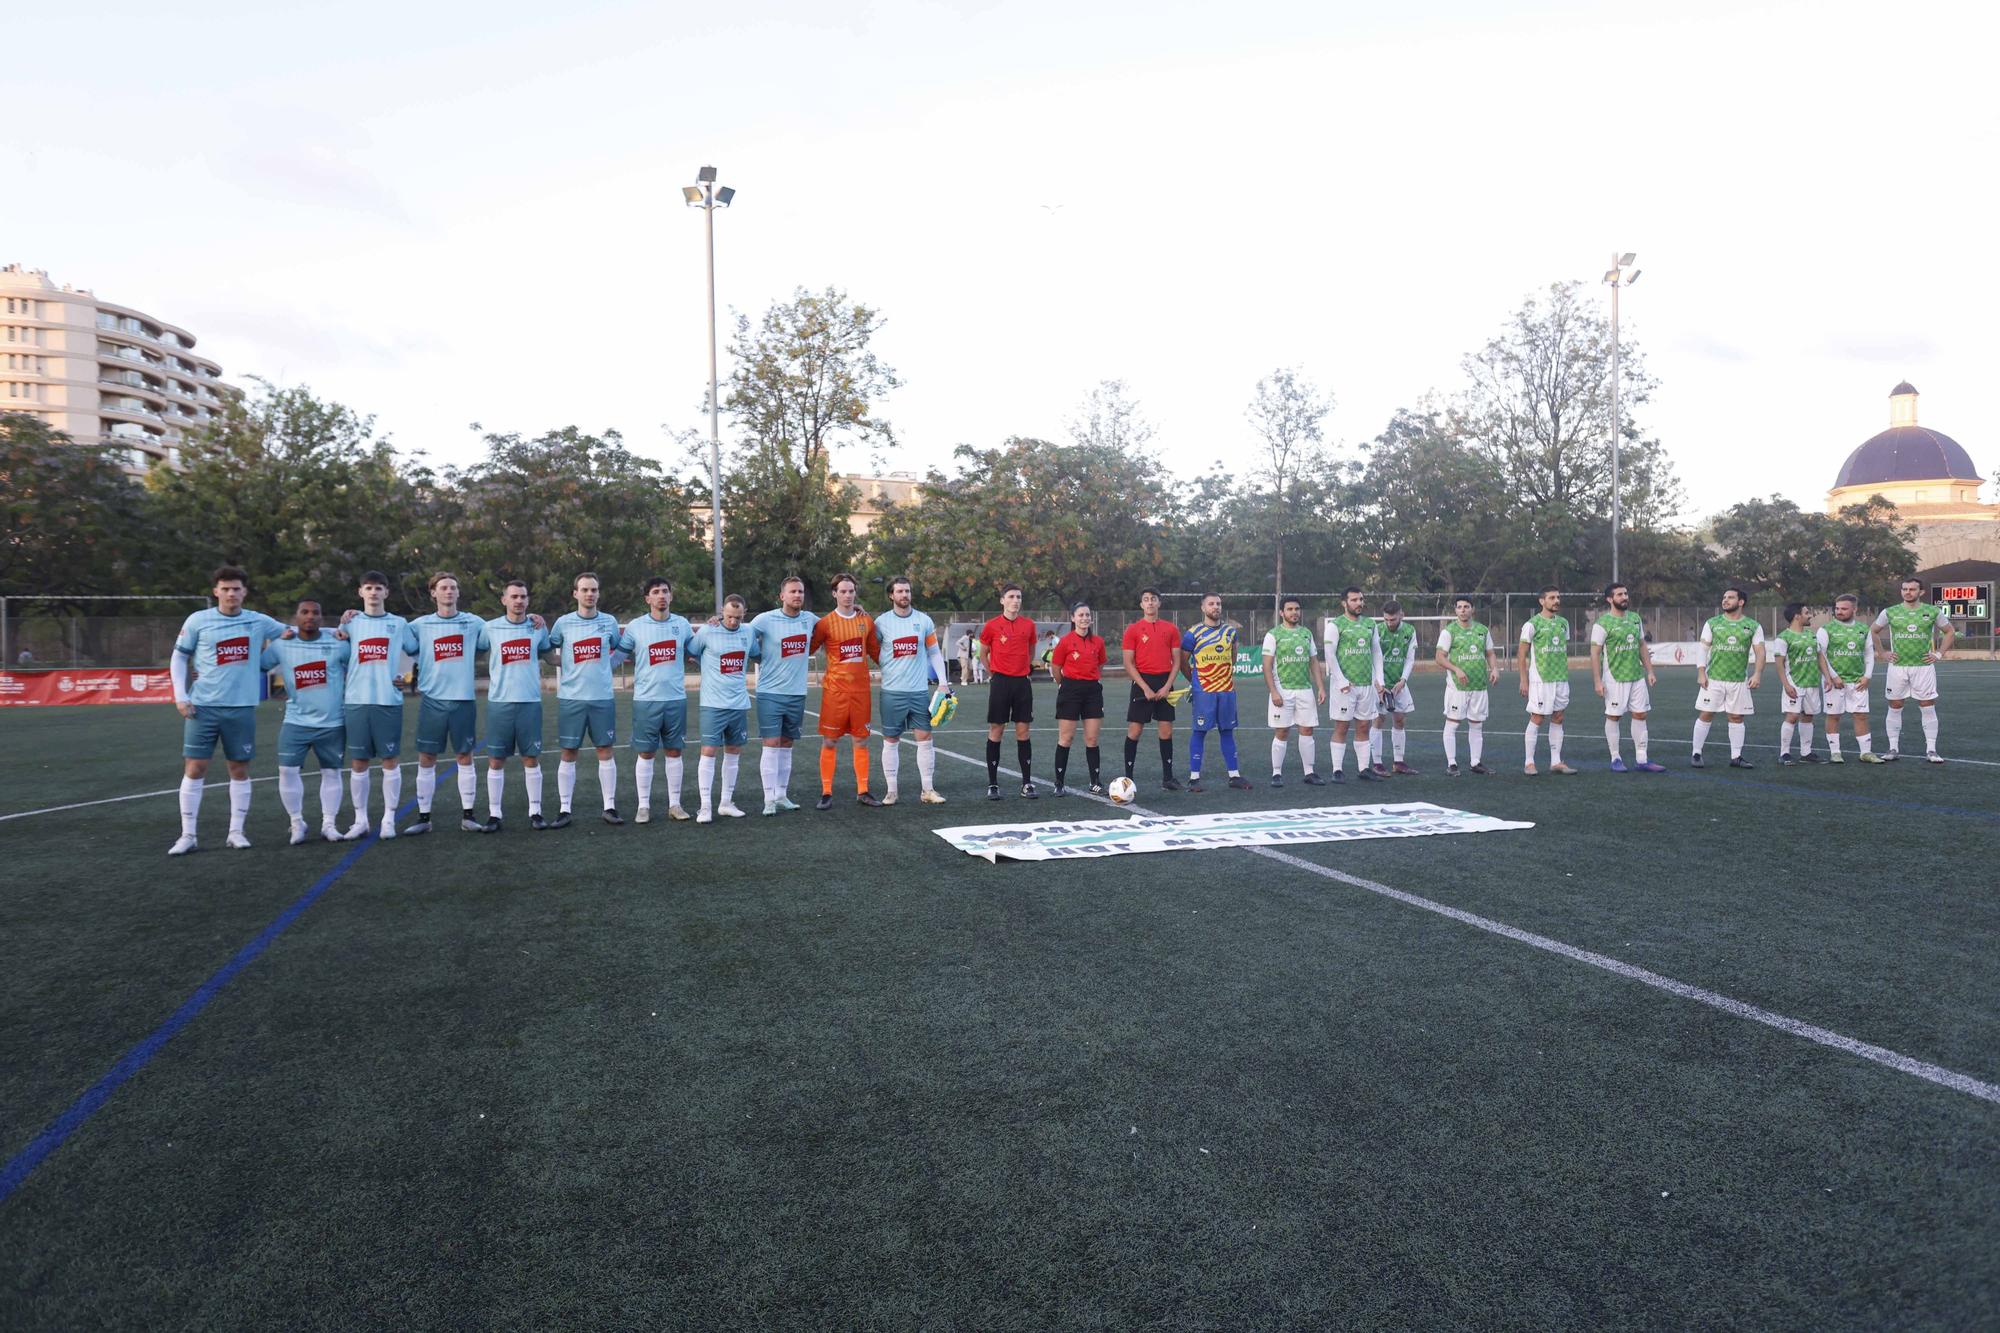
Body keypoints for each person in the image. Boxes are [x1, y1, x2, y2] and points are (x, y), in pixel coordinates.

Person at [165, 565, 289, 855]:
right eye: (226, 588)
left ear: (244, 592)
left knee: (239, 768)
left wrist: (345, 629)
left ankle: (236, 832)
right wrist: (180, 696)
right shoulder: (198, 620)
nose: (231, 593)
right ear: (216, 591)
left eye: (236, 588)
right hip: (203, 707)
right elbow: (179, 658)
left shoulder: (258, 621)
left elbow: (295, 633)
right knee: (195, 768)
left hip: (241, 708)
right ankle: (188, 835)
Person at [399, 572, 485, 834]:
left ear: (458, 593)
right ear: (433, 593)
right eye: (443, 587)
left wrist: (534, 619)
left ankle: (468, 816)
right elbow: (397, 643)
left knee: (464, 756)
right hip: (432, 701)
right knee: (426, 757)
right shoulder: (419, 625)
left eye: (453, 587)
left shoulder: (474, 622)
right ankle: (424, 818)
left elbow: (504, 625)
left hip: (462, 701)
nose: (449, 591)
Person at [262, 598, 349, 845]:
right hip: (296, 721)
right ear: (296, 617)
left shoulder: (338, 643)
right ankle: (297, 823)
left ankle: (329, 824)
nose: (310, 616)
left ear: (322, 617)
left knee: (332, 772)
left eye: (315, 612)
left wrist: (340, 632)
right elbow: (258, 666)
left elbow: (361, 664)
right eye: (304, 612)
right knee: (287, 771)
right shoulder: (281, 645)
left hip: (332, 722)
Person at [545, 571, 624, 827]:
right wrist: (564, 663)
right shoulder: (563, 623)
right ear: (575, 594)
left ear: (598, 593)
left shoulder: (609, 622)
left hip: (602, 698)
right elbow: (548, 651)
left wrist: (606, 666)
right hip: (571, 698)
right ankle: (564, 809)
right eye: (585, 590)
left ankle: (609, 807)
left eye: (594, 590)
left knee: (605, 750)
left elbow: (620, 649)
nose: (590, 594)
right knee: (568, 751)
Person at [339, 571, 410, 840]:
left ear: (386, 593)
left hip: (388, 701)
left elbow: (417, 650)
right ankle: (360, 820)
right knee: (358, 761)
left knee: (390, 760)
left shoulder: (399, 623)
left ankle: (389, 819)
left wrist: (404, 675)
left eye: (378, 588)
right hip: (356, 700)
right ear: (360, 592)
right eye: (368, 587)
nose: (373, 592)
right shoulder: (350, 623)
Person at [617, 576, 693, 822]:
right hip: (646, 700)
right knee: (646, 753)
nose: (661, 595)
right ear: (647, 598)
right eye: (656, 592)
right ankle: (643, 806)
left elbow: (698, 651)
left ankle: (675, 804)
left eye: (665, 591)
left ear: (671, 596)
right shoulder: (635, 627)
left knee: (674, 752)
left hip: (675, 699)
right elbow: (617, 656)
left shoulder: (682, 625)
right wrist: (592, 667)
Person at [478, 580, 550, 832]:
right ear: (504, 600)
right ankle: (494, 814)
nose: (519, 600)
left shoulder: (538, 627)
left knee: (531, 758)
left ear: (528, 601)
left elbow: (549, 655)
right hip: (500, 703)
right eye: (514, 596)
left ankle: (536, 812)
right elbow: (471, 650)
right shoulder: (489, 628)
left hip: (530, 702)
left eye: (523, 596)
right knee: (496, 759)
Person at [873, 576, 950, 805]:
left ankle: (927, 790)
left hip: (918, 691)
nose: (904, 595)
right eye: (899, 591)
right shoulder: (881, 622)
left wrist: (943, 682)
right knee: (890, 739)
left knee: (925, 738)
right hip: (891, 691)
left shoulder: (923, 621)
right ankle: (891, 791)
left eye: (907, 591)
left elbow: (934, 653)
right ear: (891, 595)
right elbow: (873, 649)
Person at [809, 572, 882, 809]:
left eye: (851, 591)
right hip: (835, 692)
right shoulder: (825, 623)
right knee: (830, 741)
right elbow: (808, 648)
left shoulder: (866, 621)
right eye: (843, 591)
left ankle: (863, 791)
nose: (848, 595)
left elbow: (875, 653)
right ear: (834, 593)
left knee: (861, 740)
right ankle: (826, 792)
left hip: (861, 691)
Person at [747, 576, 817, 815]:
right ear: (782, 596)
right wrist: (758, 656)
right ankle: (768, 800)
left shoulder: (810, 620)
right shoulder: (765, 619)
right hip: (770, 693)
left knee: (787, 744)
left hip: (797, 694)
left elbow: (835, 623)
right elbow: (741, 635)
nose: (797, 595)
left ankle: (781, 795)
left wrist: (855, 609)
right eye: (792, 592)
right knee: (771, 743)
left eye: (800, 591)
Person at [687, 594, 761, 822]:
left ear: (744, 614)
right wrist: (706, 664)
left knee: (733, 751)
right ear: (722, 612)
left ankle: (726, 802)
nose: (733, 622)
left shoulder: (748, 632)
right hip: (712, 703)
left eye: (738, 618)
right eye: (729, 617)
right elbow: (691, 652)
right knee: (709, 751)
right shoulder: (708, 631)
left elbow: (758, 655)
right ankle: (705, 806)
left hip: (738, 703)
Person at [1875, 576, 1953, 763]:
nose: (1907, 592)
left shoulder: (1932, 611)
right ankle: (1893, 748)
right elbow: (1873, 631)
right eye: (1904, 589)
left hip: (1923, 667)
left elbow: (1949, 631)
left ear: (1921, 592)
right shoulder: (1890, 612)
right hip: (1898, 667)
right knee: (1895, 706)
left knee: (1927, 705)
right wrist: (1882, 653)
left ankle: (1931, 750)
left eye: (1912, 589)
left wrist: (1939, 654)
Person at [1590, 582, 1665, 773]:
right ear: (1610, 599)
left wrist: (1649, 671)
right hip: (1614, 677)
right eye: (1620, 594)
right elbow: (1595, 653)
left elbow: (1641, 646)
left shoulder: (1634, 618)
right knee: (1614, 716)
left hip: (1636, 676)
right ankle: (1615, 758)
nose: (1624, 597)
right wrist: (1597, 681)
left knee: (1641, 714)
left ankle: (1642, 760)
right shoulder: (1602, 624)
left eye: (1625, 593)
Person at [1180, 593, 1252, 792]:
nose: (1216, 607)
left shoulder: (1231, 632)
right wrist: (1196, 683)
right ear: (1203, 608)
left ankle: (1234, 776)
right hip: (1204, 692)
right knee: (1200, 731)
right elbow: (1183, 663)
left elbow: (1233, 658)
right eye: (1211, 604)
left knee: (1227, 731)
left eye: (1218, 604)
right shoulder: (1193, 633)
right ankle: (1194, 778)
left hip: (1227, 690)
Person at [1691, 587, 1764, 769]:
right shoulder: (1713, 623)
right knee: (1707, 714)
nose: (1725, 600)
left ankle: (1736, 757)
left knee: (1737, 717)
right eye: (1724, 597)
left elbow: (1760, 652)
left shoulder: (1753, 626)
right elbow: (1703, 648)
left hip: (1739, 680)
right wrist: (1701, 672)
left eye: (1730, 597)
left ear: (1741, 602)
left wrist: (1757, 673)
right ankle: (1696, 753)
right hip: (1714, 679)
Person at [1121, 587, 1184, 791]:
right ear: (1141, 605)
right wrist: (1145, 688)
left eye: (1153, 599)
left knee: (1166, 731)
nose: (1150, 603)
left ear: (1159, 603)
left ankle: (1168, 778)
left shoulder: (1171, 629)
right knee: (1135, 731)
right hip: (1142, 683)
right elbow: (1128, 663)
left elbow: (1176, 661)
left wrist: (1167, 686)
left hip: (1165, 681)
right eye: (1146, 600)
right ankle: (1128, 779)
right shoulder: (1133, 629)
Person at [980, 583, 1038, 799]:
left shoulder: (1029, 625)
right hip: (1000, 682)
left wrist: (1022, 667)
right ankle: (993, 784)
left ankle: (1027, 783)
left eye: (1019, 597)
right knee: (997, 729)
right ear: (1002, 600)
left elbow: (1031, 650)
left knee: (1023, 731)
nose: (1016, 600)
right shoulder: (992, 626)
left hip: (1022, 682)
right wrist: (995, 673)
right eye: (1011, 596)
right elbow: (983, 653)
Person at [1261, 595, 1326, 786]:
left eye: (1297, 609)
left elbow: (1313, 662)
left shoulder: (1307, 634)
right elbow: (1267, 666)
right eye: (1289, 609)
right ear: (1282, 612)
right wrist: (1273, 691)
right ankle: (1276, 773)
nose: (1294, 612)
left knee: (1307, 730)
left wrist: (1321, 687)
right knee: (1282, 731)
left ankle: (1309, 772)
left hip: (1305, 690)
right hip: (1283, 690)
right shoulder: (1273, 635)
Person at [1435, 597, 1498, 776]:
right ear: (1455, 610)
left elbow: (1490, 653)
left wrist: (1494, 669)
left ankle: (1476, 762)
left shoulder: (1482, 630)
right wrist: (1456, 669)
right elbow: (1439, 657)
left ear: (1472, 609)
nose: (1463, 610)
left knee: (1476, 725)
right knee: (1453, 723)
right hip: (1457, 687)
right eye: (1459, 607)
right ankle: (1452, 763)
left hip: (1479, 685)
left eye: (1466, 607)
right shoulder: (1449, 631)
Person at [1518, 586, 1577, 775]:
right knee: (1537, 717)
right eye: (1552, 598)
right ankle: (1529, 763)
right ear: (1542, 601)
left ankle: (1556, 761)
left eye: (1558, 597)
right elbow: (1522, 653)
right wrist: (1523, 680)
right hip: (1540, 679)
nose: (1556, 601)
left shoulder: (1563, 623)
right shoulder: (1532, 624)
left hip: (1560, 677)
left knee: (1559, 716)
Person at [1326, 587, 1382, 783]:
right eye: (1354, 600)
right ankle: (1337, 770)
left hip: (1366, 684)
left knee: (1364, 726)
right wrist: (1341, 680)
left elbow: (1376, 653)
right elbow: (1330, 655)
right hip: (1344, 687)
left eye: (1361, 599)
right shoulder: (1335, 625)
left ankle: (1364, 769)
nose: (1359, 603)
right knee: (1341, 727)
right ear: (1344, 603)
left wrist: (1379, 681)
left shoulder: (1370, 624)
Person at [1051, 601, 1108, 795]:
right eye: (1081, 615)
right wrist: (1064, 685)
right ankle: (1059, 782)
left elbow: (1100, 665)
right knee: (1066, 738)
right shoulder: (1065, 642)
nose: (1085, 618)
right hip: (1070, 690)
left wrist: (1091, 679)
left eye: (1087, 615)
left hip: (1092, 691)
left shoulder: (1098, 642)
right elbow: (1056, 668)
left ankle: (1095, 781)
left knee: (1092, 738)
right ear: (1073, 618)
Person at [1818, 593, 1883, 764]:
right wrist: (1833, 676)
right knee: (1834, 716)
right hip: (1834, 682)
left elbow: (1869, 653)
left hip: (1857, 681)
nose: (1839, 611)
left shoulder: (1863, 629)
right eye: (1837, 608)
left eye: (1844, 609)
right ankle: (1835, 752)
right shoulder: (1826, 629)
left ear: (1855, 609)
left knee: (1861, 715)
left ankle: (1866, 752)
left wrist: (1867, 676)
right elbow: (1821, 655)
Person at [1770, 602, 1826, 766]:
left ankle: (1805, 753)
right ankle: (1784, 753)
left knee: (1808, 716)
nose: (1810, 615)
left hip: (1812, 682)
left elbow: (1820, 657)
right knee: (1793, 716)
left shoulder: (1812, 635)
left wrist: (1828, 677)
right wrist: (1786, 685)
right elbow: (1779, 663)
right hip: (1795, 683)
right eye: (1807, 612)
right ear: (1797, 616)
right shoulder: (1783, 638)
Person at [1371, 600, 1420, 776]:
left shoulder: (1409, 631)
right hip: (1379, 684)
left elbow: (1410, 658)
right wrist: (1378, 684)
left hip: (1399, 683)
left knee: (1400, 719)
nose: (1389, 623)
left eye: (1393, 619)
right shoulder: (1376, 629)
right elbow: (1371, 659)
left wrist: (1403, 680)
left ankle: (1398, 762)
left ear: (1401, 615)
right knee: (1378, 720)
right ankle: (1377, 762)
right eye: (1386, 620)